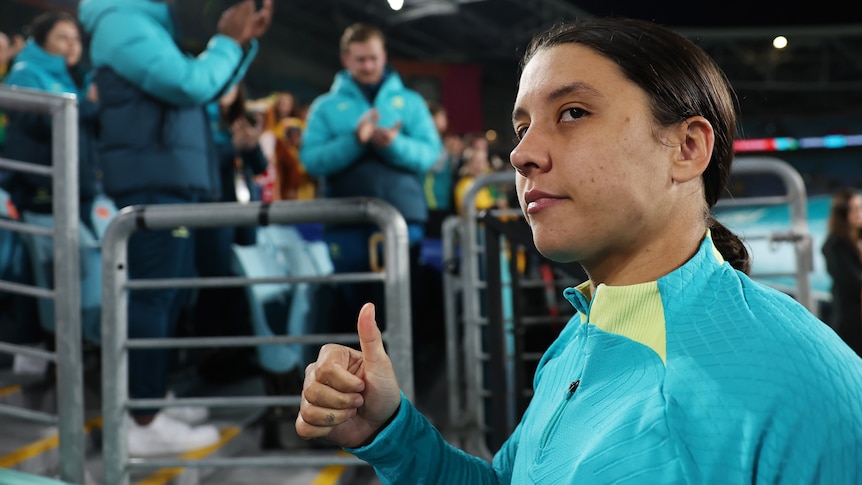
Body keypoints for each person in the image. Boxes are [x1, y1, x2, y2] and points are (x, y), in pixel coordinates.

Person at [295, 17, 862, 484]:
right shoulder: (580, 336)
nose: (520, 155)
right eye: (521, 127)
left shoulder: (802, 388)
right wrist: (389, 430)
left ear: (687, 148)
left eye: (572, 113)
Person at [78, 0, 273, 457]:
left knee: (165, 297)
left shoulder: (146, 24)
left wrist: (238, 42)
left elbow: (203, 88)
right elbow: (190, 84)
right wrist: (226, 40)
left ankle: (148, 399)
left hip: (170, 181)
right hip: (154, 183)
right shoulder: (122, 19)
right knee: (152, 298)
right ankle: (140, 418)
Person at [299, 23, 442, 337]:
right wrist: (355, 140)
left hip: (405, 222)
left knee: (404, 308)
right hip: (345, 224)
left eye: (373, 58)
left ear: (384, 56)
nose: (367, 66)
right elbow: (310, 160)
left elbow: (431, 155)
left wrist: (393, 145)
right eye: (360, 59)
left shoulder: (412, 103)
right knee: (352, 310)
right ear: (345, 59)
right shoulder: (325, 107)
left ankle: (404, 380)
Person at [822, 187, 862, 356]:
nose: (860, 213)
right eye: (855, 209)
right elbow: (854, 284)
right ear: (843, 213)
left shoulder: (858, 240)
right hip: (851, 322)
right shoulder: (835, 246)